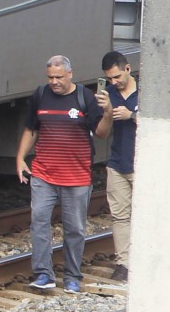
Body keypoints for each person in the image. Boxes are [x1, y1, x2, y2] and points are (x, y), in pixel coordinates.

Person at [18, 55, 108, 293]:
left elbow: (101, 133)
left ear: (70, 74)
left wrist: (108, 113)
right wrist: (20, 158)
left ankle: (72, 276)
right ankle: (43, 274)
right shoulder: (40, 94)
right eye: (50, 77)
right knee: (39, 223)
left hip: (76, 178)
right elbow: (31, 129)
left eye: (59, 77)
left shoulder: (84, 97)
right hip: (43, 174)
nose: (54, 82)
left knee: (75, 229)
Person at [101, 50, 137, 282]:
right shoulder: (110, 94)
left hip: (144, 163)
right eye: (109, 78)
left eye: (117, 77)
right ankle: (123, 263)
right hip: (117, 163)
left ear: (128, 69)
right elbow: (102, 134)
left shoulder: (150, 92)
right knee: (120, 216)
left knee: (148, 214)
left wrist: (131, 115)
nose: (114, 82)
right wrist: (106, 112)